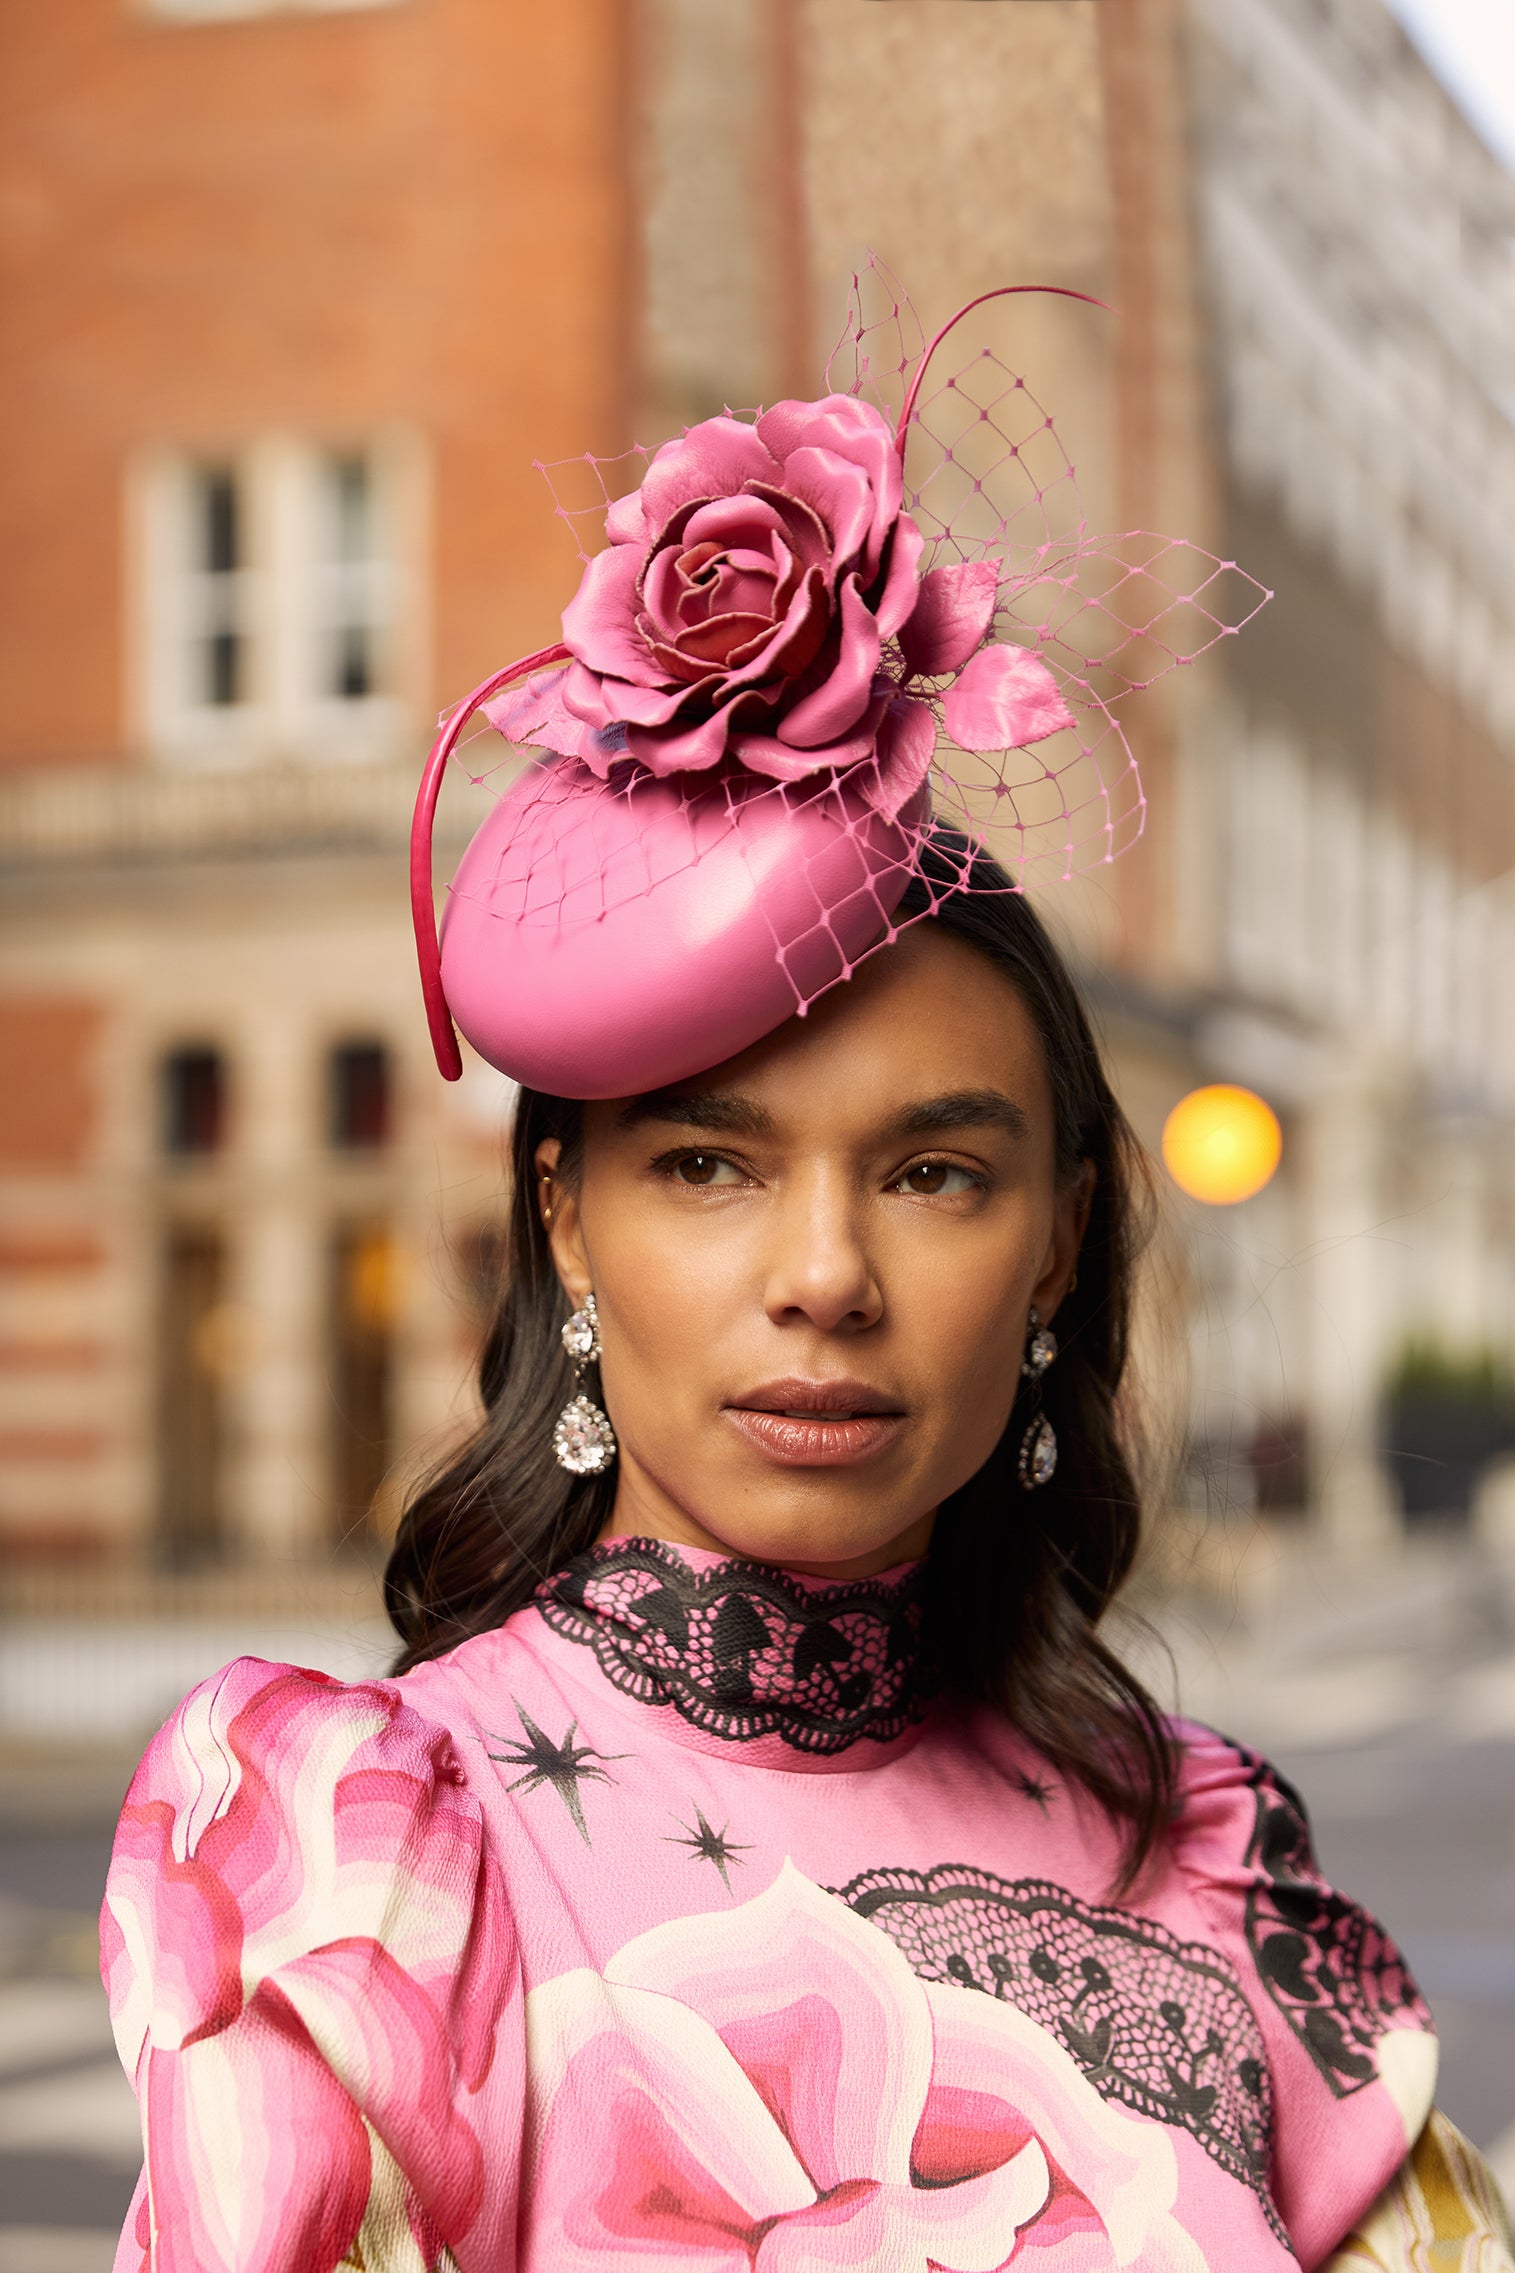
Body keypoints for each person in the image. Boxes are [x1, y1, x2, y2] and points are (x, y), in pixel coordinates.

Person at [101, 278, 1511, 2271]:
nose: (825, 1276)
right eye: (705, 1166)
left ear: (1056, 1249)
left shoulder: (1207, 1855)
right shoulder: (371, 1844)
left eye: (933, 1173)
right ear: (566, 1222)